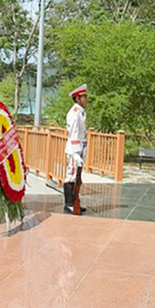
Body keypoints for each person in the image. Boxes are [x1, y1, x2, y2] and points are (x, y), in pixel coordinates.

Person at [64, 84, 88, 214]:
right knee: (71, 176)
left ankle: (75, 201)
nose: (86, 99)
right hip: (75, 148)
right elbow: (73, 133)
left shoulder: (80, 111)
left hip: (80, 147)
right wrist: (76, 154)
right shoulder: (74, 113)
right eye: (83, 97)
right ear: (77, 98)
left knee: (77, 177)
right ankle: (69, 204)